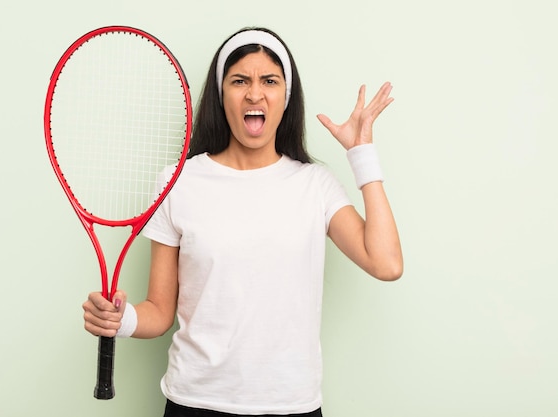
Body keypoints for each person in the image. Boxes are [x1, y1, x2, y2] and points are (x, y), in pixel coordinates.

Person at [82, 27, 403, 417]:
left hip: (292, 405)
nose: (255, 93)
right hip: (194, 403)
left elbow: (386, 263)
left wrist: (362, 153)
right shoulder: (177, 182)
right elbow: (160, 311)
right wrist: (123, 318)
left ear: (286, 96)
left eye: (269, 80)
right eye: (240, 81)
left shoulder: (315, 185)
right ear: (221, 95)